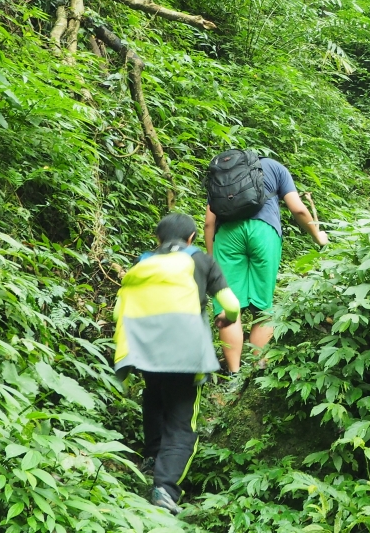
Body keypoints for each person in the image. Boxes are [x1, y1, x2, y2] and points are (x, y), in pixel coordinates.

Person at [113, 213, 241, 515]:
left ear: (157, 239)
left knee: (154, 398)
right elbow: (232, 305)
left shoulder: (143, 262)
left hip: (145, 349)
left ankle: (151, 457)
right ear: (192, 238)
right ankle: (165, 487)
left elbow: (120, 308)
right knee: (182, 423)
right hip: (184, 352)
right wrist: (228, 318)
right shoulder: (200, 260)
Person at [204, 154, 328, 375]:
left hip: (227, 236)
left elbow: (208, 222)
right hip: (264, 232)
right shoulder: (275, 167)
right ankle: (255, 372)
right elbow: (297, 209)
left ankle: (233, 374)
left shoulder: (222, 174)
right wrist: (318, 236)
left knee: (229, 306)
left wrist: (212, 258)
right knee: (263, 307)